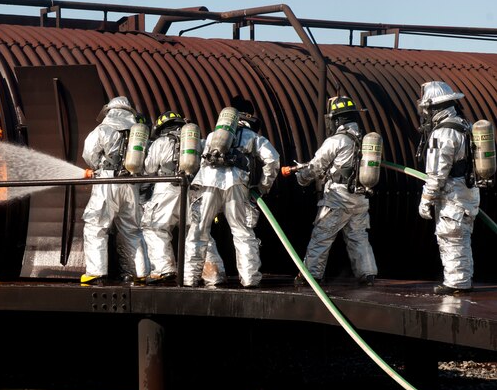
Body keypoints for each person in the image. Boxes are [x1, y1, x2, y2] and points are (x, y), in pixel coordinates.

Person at [183, 107, 279, 288]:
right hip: (236, 183)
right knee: (242, 232)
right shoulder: (253, 137)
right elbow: (273, 159)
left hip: (208, 180)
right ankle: (250, 278)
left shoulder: (213, 136)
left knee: (198, 230)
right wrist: (262, 187)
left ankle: (189, 278)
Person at [294, 96, 378, 287]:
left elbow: (316, 166)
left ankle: (312, 275)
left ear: (337, 120)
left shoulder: (337, 140)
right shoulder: (363, 140)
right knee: (358, 237)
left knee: (322, 236)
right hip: (360, 198)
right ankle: (368, 274)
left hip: (338, 198)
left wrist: (302, 177)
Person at [141, 110, 225, 285]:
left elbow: (149, 169)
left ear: (161, 127)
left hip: (167, 189)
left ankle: (164, 269)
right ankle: (213, 273)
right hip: (194, 189)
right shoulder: (199, 143)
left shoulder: (160, 142)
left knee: (154, 228)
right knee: (199, 232)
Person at [415, 81, 479, 295]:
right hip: (468, 191)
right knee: (461, 237)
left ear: (434, 108)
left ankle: (457, 284)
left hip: (453, 193)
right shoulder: (465, 125)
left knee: (450, 237)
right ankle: (462, 280)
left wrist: (426, 200)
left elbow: (436, 173)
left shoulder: (442, 133)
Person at [81, 96, 149, 285]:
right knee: (132, 229)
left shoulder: (103, 129)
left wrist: (98, 167)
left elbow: (89, 154)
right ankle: (140, 272)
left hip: (108, 181)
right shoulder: (138, 133)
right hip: (131, 184)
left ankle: (96, 272)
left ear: (109, 111)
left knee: (96, 225)